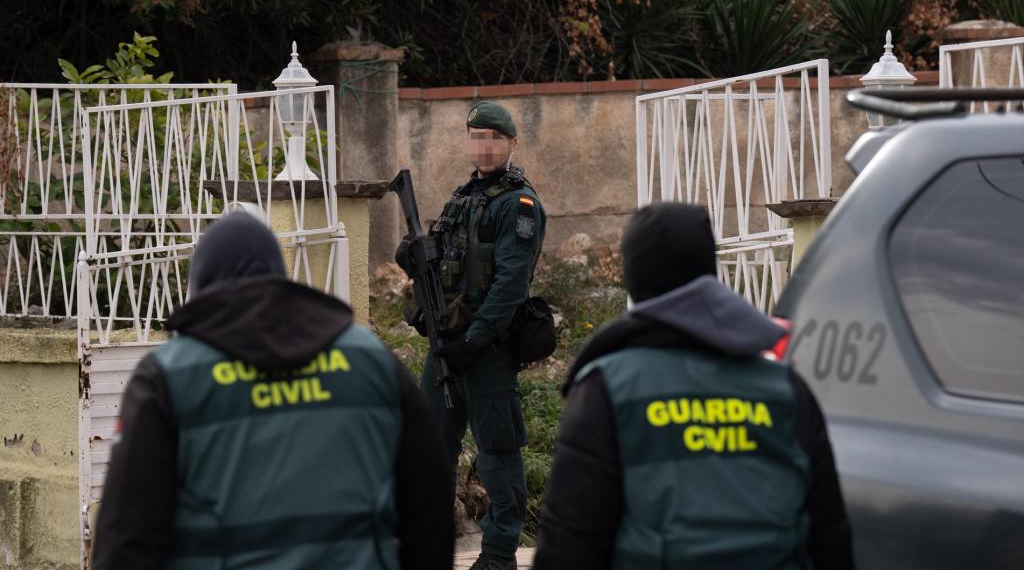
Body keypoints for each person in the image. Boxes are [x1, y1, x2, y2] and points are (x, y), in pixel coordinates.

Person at [91, 212, 454, 570]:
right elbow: (430, 507)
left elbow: (127, 536)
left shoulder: (169, 377)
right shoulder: (371, 361)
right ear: (280, 277)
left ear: (201, 289)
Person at [533, 203, 854, 570]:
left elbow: (571, 542)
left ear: (633, 276)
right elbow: (831, 535)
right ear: (708, 270)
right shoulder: (785, 387)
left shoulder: (607, 388)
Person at [396, 101, 545, 570]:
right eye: (477, 137)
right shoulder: (462, 197)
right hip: (446, 346)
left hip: (486, 349)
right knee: (427, 446)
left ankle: (499, 554)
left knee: (498, 452)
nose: (485, 147)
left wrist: (473, 343)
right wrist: (413, 256)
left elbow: (510, 284)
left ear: (511, 143)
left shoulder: (519, 205)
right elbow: (443, 265)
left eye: (495, 139)